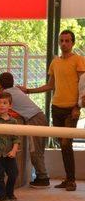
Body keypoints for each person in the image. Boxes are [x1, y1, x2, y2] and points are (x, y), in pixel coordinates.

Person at [19, 30, 85, 191]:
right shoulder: (55, 62)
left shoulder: (79, 60)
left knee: (66, 143)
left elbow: (83, 86)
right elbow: (50, 85)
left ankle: (71, 180)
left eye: (67, 41)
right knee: (61, 144)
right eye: (61, 41)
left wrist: (78, 107)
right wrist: (28, 91)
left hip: (71, 109)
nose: (64, 44)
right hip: (56, 107)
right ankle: (68, 179)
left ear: (73, 43)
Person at [0, 72, 50, 187]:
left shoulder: (6, 94)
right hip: (40, 117)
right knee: (38, 149)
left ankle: (43, 178)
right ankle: (42, 175)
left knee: (35, 150)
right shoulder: (16, 90)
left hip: (34, 120)